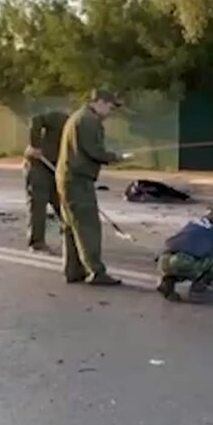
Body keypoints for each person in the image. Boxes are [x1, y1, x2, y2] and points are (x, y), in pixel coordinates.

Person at [56, 88, 131, 286]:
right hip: (78, 180)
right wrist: (115, 157)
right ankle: (96, 272)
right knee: (87, 226)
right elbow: (94, 151)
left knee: (72, 225)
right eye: (110, 106)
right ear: (98, 102)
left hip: (67, 178)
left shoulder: (77, 117)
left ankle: (73, 270)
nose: (111, 111)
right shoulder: (89, 120)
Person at [23, 109, 67, 254]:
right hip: (40, 164)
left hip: (57, 168)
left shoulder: (89, 132)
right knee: (38, 203)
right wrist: (35, 145)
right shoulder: (63, 119)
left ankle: (70, 237)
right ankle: (37, 243)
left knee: (63, 203)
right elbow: (36, 119)